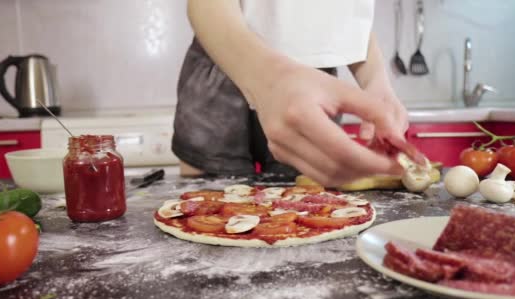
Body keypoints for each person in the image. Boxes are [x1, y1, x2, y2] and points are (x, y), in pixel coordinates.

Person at [172, 0, 414, 186]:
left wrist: (376, 82)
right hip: (224, 62)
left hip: (313, 83)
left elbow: (346, 13)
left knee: (300, 204)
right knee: (210, 203)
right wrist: (272, 80)